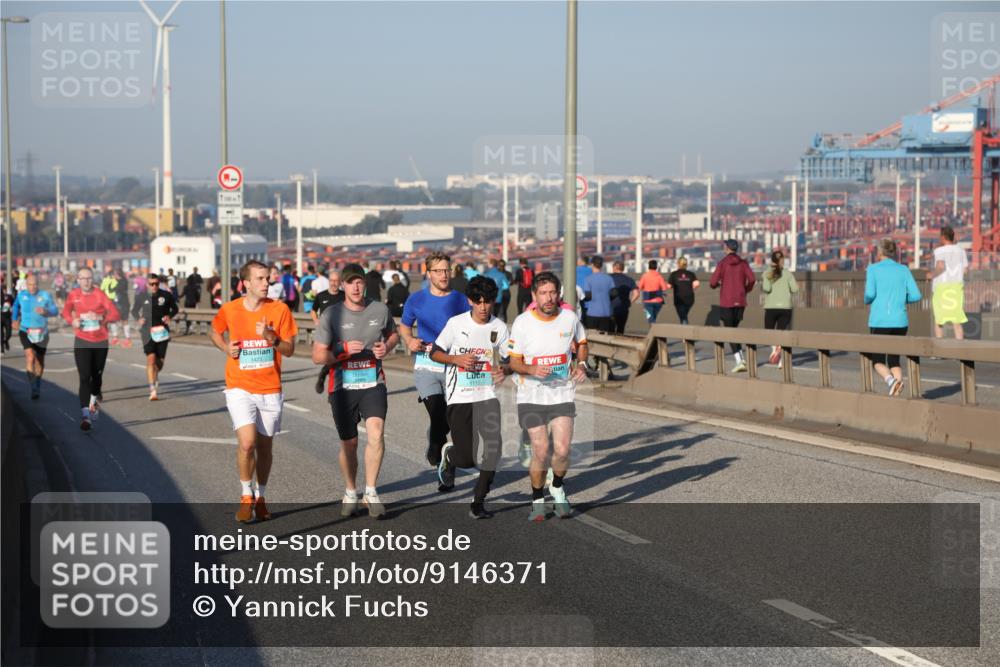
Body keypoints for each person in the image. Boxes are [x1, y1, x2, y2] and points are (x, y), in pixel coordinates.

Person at [209, 259, 298, 523]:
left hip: (270, 388)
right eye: (259, 279)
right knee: (247, 443)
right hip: (239, 386)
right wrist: (226, 348)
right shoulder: (231, 309)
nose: (265, 283)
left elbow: (290, 350)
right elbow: (215, 332)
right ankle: (246, 495)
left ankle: (261, 496)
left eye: (267, 279)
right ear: (245, 283)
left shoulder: (280, 310)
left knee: (264, 446)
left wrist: (272, 337)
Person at [311, 263, 399, 519]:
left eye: (360, 282)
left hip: (373, 382)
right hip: (342, 387)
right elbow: (318, 356)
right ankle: (351, 490)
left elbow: (393, 335)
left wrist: (387, 347)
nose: (356, 287)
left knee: (376, 433)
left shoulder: (379, 309)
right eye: (351, 283)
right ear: (343, 285)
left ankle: (371, 492)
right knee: (349, 444)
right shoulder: (331, 314)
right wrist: (343, 351)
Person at [508, 272, 588, 521]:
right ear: (534, 296)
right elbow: (514, 362)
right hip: (531, 395)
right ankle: (537, 499)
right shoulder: (522, 323)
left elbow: (582, 342)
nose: (548, 298)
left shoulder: (569, 318)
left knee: (563, 450)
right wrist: (531, 369)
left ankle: (558, 486)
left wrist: (582, 364)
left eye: (553, 292)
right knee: (541, 451)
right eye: (543, 293)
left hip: (562, 392)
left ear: (559, 294)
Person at [430, 276, 511, 518]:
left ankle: (478, 500)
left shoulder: (500, 327)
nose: (484, 307)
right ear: (470, 301)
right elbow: (434, 352)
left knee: (494, 448)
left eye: (488, 302)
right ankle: (450, 455)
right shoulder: (456, 324)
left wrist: (504, 370)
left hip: (486, 395)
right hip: (460, 396)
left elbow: (510, 359)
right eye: (479, 301)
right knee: (466, 459)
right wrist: (455, 359)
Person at [399, 252, 471, 467]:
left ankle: (436, 444)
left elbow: (471, 326)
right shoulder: (416, 299)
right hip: (426, 365)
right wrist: (409, 339)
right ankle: (439, 451)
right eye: (438, 271)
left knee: (448, 418)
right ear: (428, 273)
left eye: (447, 270)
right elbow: (404, 325)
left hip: (452, 366)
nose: (444, 275)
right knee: (436, 409)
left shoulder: (460, 299)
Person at [63, 267, 121, 431]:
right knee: (84, 377)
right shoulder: (74, 295)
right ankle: (85, 416)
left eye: (89, 278)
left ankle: (94, 399)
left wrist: (102, 317)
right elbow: (66, 311)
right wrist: (71, 321)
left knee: (96, 378)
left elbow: (115, 314)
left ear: (92, 279)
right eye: (83, 278)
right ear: (78, 280)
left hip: (100, 341)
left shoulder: (100, 295)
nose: (86, 281)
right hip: (82, 340)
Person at [865, 238, 921, 397]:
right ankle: (896, 396)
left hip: (880, 321)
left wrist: (867, 300)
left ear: (880, 252)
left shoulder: (873, 269)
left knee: (877, 360)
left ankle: (892, 382)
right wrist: (902, 300)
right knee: (894, 360)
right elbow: (916, 295)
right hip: (900, 321)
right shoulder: (903, 270)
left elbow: (869, 294)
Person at [709, 239, 756, 373]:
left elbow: (712, 282)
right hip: (740, 301)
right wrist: (745, 289)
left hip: (727, 302)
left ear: (727, 248)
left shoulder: (723, 264)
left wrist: (718, 285)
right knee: (734, 330)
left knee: (730, 332)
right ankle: (741, 358)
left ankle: (739, 360)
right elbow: (752, 279)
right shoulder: (743, 263)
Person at [11, 273, 59, 399]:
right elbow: (15, 306)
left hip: (41, 332)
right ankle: (33, 387)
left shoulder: (45, 296)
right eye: (30, 284)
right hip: (25, 330)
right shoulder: (22, 295)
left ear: (38, 285)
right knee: (30, 356)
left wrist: (47, 311)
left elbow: (55, 310)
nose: (32, 287)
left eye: (35, 284)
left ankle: (37, 382)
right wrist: (14, 319)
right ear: (26, 285)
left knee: (39, 360)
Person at [131, 274, 179, 401]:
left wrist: (169, 316)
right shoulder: (141, 296)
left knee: (160, 363)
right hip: (147, 331)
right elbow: (134, 310)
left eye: (156, 284)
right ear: (147, 285)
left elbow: (175, 308)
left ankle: (155, 373)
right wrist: (138, 318)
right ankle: (152, 390)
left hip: (162, 331)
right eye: (151, 284)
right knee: (151, 359)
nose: (154, 286)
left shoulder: (166, 295)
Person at [761, 250, 798, 366]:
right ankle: (780, 358)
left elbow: (766, 289)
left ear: (772, 260)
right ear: (783, 261)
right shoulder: (788, 274)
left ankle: (774, 350)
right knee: (781, 333)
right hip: (785, 308)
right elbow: (795, 289)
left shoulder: (767, 273)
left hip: (771, 307)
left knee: (769, 332)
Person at [932, 225, 969, 340]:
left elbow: (940, 266)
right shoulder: (961, 251)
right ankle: (960, 350)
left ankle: (939, 351)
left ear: (943, 237)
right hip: (957, 288)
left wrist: (930, 275)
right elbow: (966, 270)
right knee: (956, 321)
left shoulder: (939, 250)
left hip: (941, 288)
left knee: (939, 320)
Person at [311, 270, 344, 393]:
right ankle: (324, 376)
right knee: (329, 358)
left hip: (341, 332)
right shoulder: (321, 296)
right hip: (325, 332)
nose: (334, 283)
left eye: (336, 281)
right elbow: (313, 310)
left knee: (340, 358)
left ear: (340, 282)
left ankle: (334, 386)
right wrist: (316, 321)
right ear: (328, 281)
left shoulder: (344, 295)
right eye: (331, 281)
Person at [582, 256, 615, 333]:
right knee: (604, 337)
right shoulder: (609, 278)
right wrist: (606, 299)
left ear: (592, 265)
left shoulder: (588, 279)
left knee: (593, 337)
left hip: (592, 313)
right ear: (601, 265)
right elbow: (614, 293)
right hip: (606, 313)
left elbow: (588, 296)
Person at [608, 261, 639, 335]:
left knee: (610, 330)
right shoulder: (629, 279)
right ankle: (618, 344)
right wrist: (630, 302)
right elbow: (637, 293)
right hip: (624, 308)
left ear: (614, 267)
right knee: (620, 329)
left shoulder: (608, 278)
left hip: (610, 308)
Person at [667, 257, 699, 325]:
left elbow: (669, 286)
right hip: (690, 299)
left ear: (678, 264)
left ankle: (685, 333)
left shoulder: (674, 274)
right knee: (683, 315)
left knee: (683, 317)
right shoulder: (691, 274)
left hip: (679, 299)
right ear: (686, 264)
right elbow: (696, 284)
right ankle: (683, 333)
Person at [637, 260, 669, 324]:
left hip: (647, 301)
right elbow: (664, 288)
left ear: (648, 266)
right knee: (653, 318)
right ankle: (653, 331)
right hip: (658, 301)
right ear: (656, 267)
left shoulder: (644, 276)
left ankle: (653, 332)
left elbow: (639, 287)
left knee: (650, 319)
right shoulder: (659, 276)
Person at [1, 285, 13, 353]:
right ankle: (2, 349)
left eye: (4, 290)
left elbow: (14, 304)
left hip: (7, 317)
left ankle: (6, 341)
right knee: (1, 334)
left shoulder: (9, 297)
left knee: (9, 333)